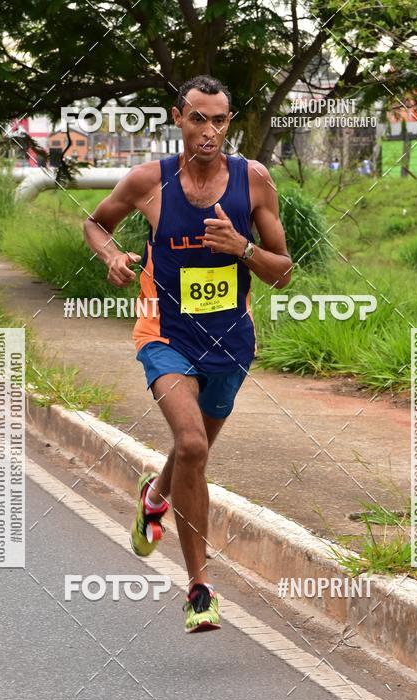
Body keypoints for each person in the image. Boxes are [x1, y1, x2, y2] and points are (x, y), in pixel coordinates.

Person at [83, 75, 291, 633]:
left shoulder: (255, 181)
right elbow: (96, 223)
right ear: (179, 118)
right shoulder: (150, 181)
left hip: (230, 341)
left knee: (190, 453)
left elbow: (283, 272)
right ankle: (199, 587)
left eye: (219, 120)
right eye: (198, 118)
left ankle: (156, 495)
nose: (209, 131)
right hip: (165, 335)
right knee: (193, 442)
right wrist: (112, 258)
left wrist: (241, 248)